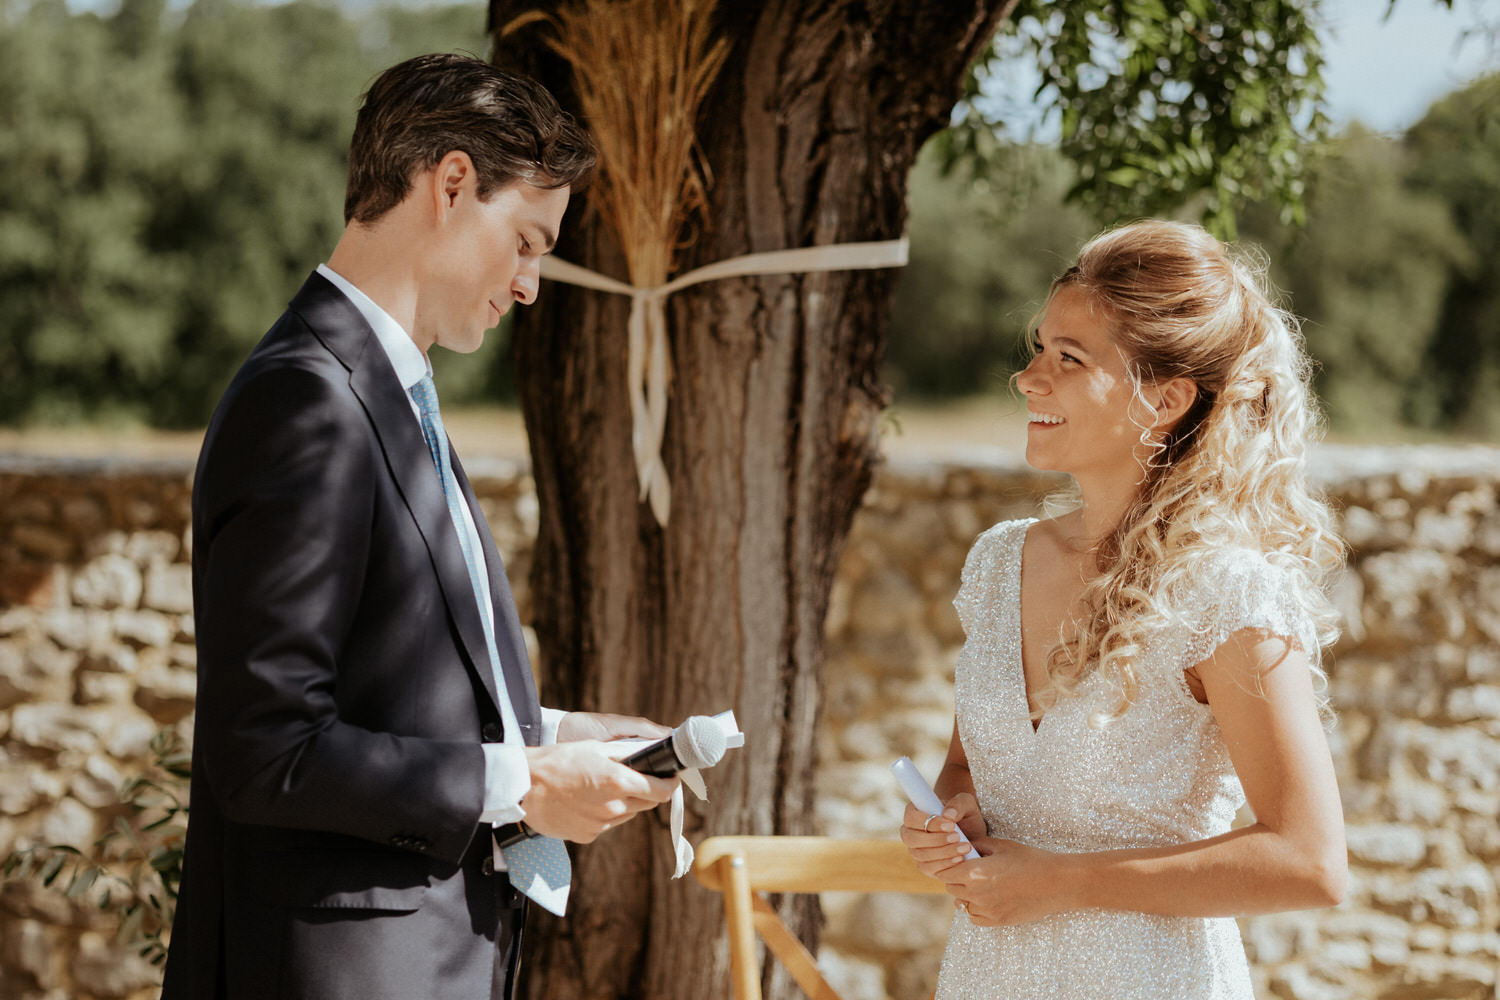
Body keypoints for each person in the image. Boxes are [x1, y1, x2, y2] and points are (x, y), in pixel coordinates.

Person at [161, 54, 678, 1000]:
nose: (530, 285)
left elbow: (390, 684)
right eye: (526, 240)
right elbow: (266, 750)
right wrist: (523, 784)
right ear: (449, 184)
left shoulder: (388, 394)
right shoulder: (306, 404)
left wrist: (554, 735)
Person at [899, 220, 1348, 998]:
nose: (1029, 378)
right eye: (1038, 348)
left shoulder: (1226, 594)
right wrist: (945, 815)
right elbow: (966, 765)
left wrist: (1065, 883)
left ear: (1166, 398)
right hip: (988, 977)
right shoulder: (1001, 562)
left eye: (1069, 359)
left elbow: (1309, 862)